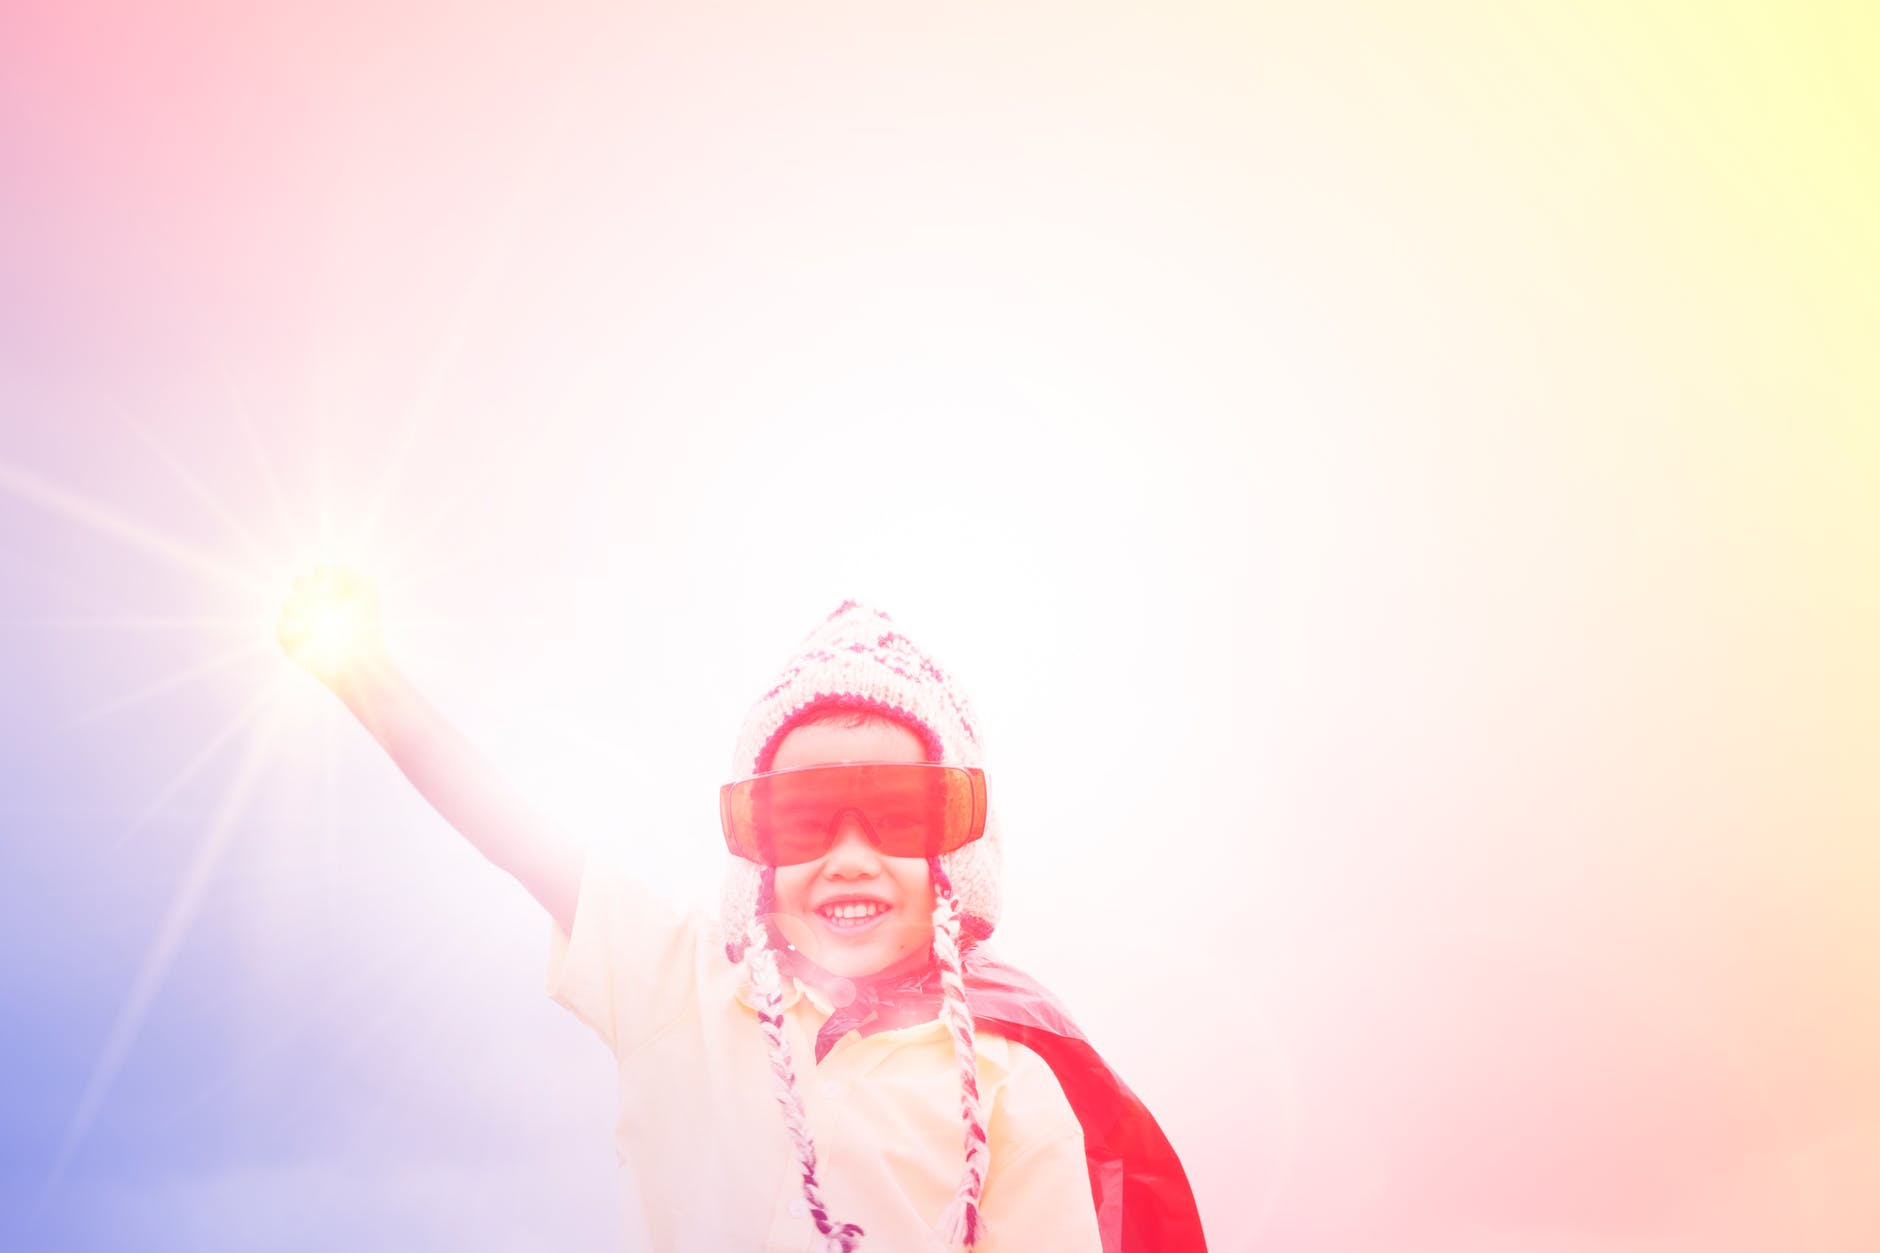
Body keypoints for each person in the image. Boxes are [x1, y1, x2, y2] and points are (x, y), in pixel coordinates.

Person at [279, 572, 1205, 1252]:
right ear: (755, 847)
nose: (849, 856)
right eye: (801, 817)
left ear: (956, 852)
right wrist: (366, 676)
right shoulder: (682, 990)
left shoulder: (1013, 1082)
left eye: (898, 814)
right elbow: (522, 839)